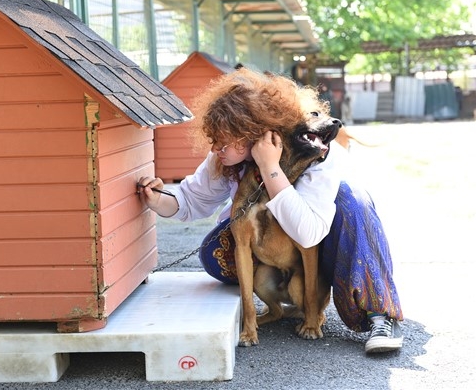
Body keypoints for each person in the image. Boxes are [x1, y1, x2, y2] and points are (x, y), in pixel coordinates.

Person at [137, 68, 403, 354]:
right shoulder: (227, 154)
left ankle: (379, 315)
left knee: (354, 200)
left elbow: (309, 233)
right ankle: (281, 305)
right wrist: (158, 200)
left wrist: (269, 167)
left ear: (252, 132)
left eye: (222, 140)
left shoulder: (316, 148)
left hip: (325, 244)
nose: (215, 148)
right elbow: (190, 199)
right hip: (271, 250)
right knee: (214, 253)